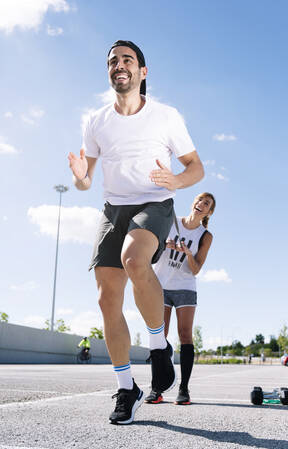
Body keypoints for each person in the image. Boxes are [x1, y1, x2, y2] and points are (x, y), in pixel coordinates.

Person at [68, 40, 204, 424]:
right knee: (107, 298)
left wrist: (176, 180)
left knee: (133, 258)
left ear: (142, 72)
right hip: (114, 208)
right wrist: (80, 179)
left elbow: (196, 167)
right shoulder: (96, 121)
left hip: (155, 203)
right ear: (109, 72)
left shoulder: (165, 116)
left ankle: (158, 347)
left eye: (127, 59)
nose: (119, 65)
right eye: (112, 61)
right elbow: (86, 180)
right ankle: (127, 387)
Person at [145, 192, 215, 405]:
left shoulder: (205, 236)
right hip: (161, 286)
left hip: (185, 287)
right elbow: (151, 251)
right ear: (194, 202)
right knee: (160, 335)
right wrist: (162, 244)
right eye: (200, 200)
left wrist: (187, 253)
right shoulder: (172, 222)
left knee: (185, 335)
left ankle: (184, 389)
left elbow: (196, 270)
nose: (201, 204)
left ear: (209, 212)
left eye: (207, 203)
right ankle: (156, 387)